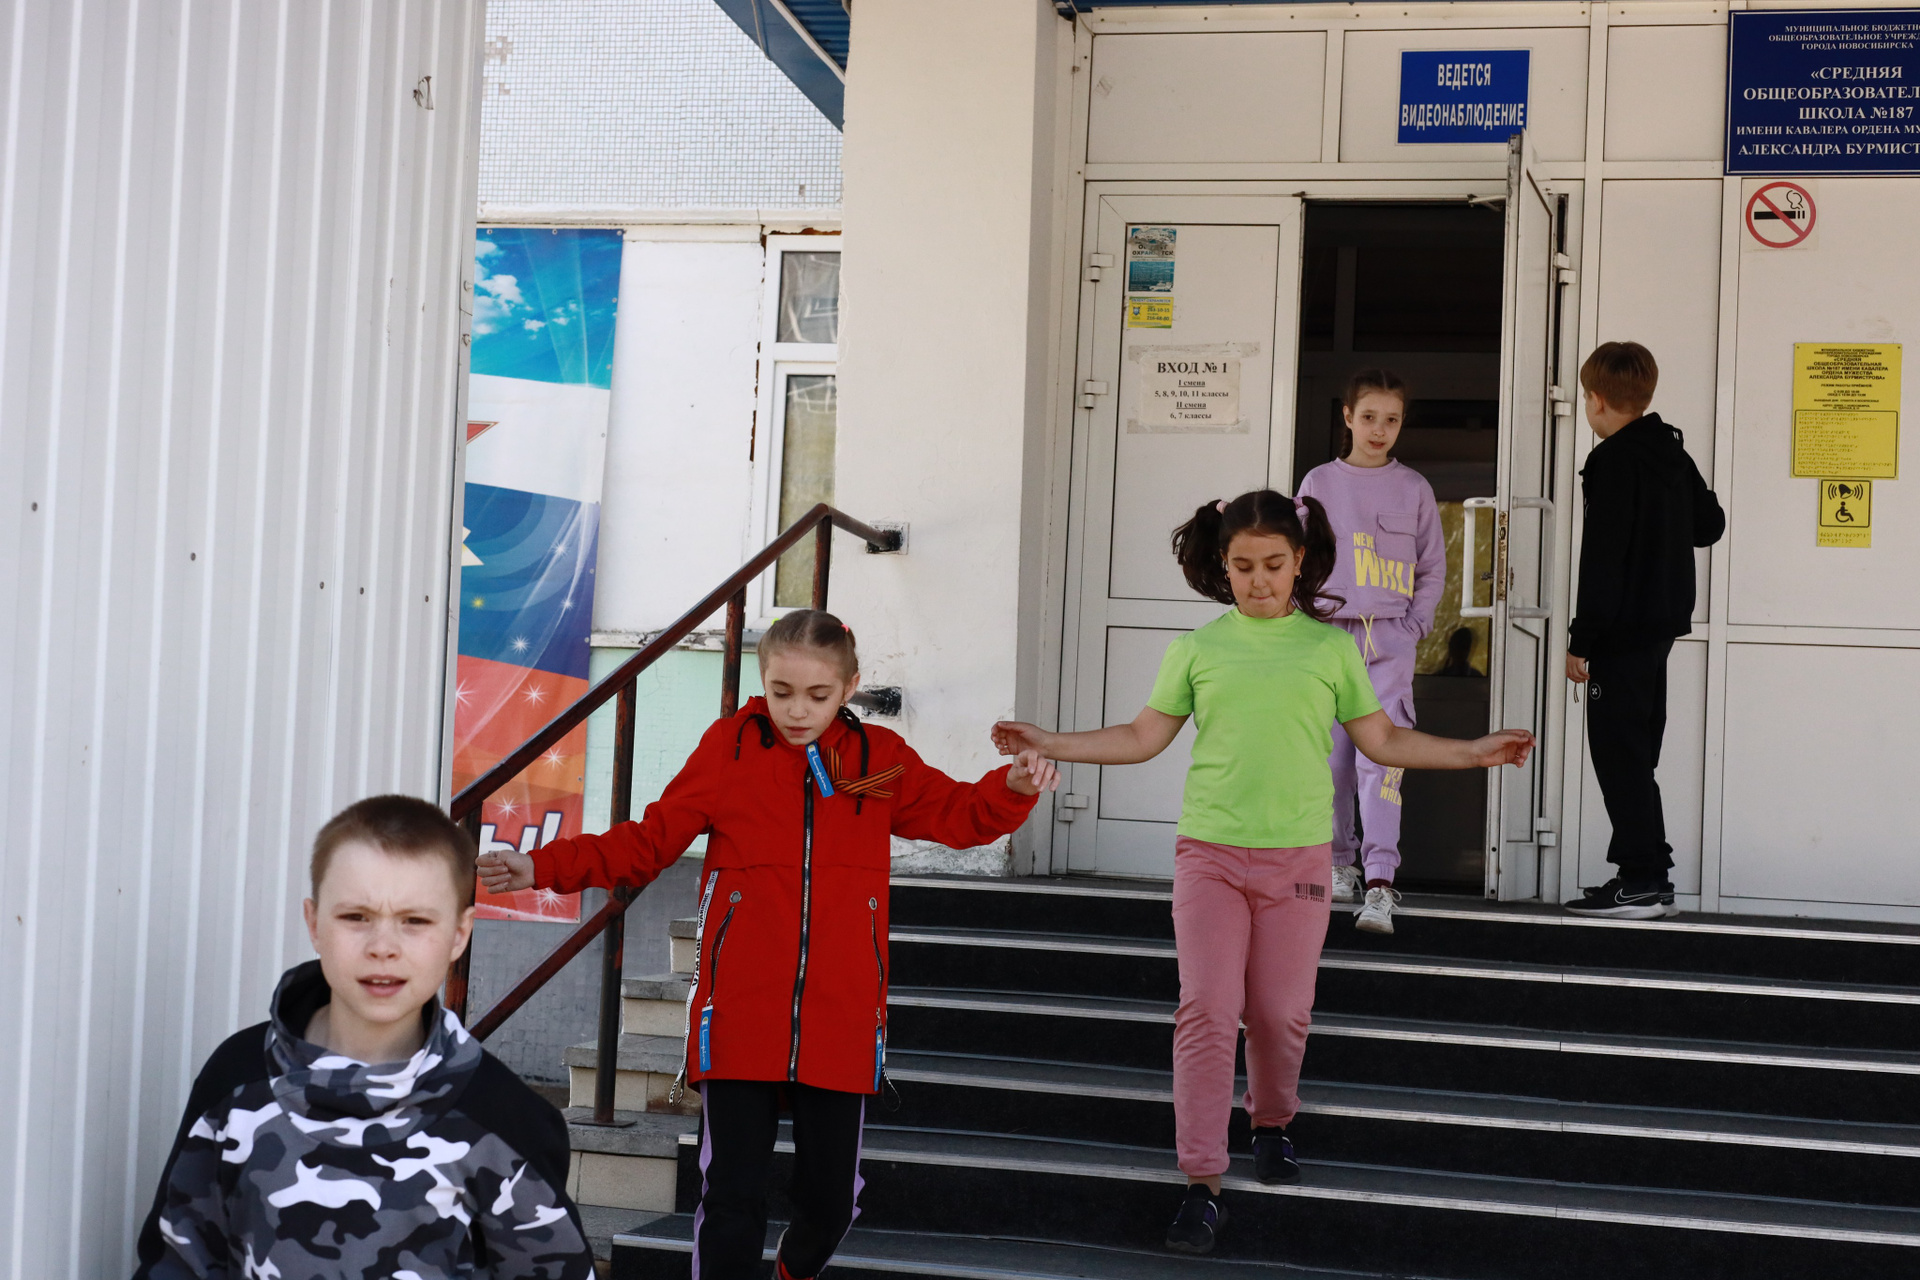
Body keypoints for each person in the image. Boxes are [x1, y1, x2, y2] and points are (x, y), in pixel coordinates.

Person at [992, 491, 1532, 1256]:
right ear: (1223, 566)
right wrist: (1050, 740)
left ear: (1299, 562)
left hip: (1298, 861)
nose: (1258, 580)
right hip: (1209, 856)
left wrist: (1472, 752)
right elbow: (1142, 737)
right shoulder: (1198, 649)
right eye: (1242, 566)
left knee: (1280, 1014)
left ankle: (1272, 1122)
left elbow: (1383, 742)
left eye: (1273, 565)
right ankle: (1201, 1183)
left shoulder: (1329, 651)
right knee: (1207, 1011)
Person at [478, 609, 1057, 1280]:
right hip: (740, 1015)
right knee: (731, 1200)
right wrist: (541, 866)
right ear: (763, 681)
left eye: (818, 695)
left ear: (849, 687)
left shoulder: (875, 762)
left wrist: (1011, 788)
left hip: (840, 1018)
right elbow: (649, 841)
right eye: (781, 692)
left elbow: (961, 815)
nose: (797, 710)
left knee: (832, 1205)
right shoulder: (728, 750)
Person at [133, 795, 592, 1279]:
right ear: (314, 923)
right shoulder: (237, 1081)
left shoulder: (503, 1118)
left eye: (415, 921)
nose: (382, 947)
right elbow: (176, 1263)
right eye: (356, 917)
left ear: (459, 934)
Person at [1563, 342, 1725, 918]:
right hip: (1660, 628)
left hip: (1621, 632)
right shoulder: (1668, 451)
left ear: (1596, 399)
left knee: (1618, 755)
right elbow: (1710, 525)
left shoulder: (1611, 461)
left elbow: (1602, 561)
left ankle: (1640, 880)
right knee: (1637, 753)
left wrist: (1582, 640)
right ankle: (1651, 875)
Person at [1296, 370, 1446, 934]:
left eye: (1392, 419)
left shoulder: (1414, 487)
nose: (1379, 429)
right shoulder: (1318, 481)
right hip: (1329, 638)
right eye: (1368, 417)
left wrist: (1413, 626)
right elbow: (1295, 555)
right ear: (1347, 416)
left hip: (1388, 640)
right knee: (1332, 758)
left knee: (1382, 762)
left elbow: (1433, 566)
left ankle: (1380, 883)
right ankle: (1339, 864)